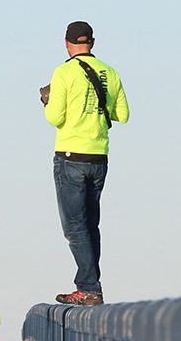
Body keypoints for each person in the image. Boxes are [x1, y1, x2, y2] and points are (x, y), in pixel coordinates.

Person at [41, 19, 130, 305]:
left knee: (74, 226)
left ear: (67, 44)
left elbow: (55, 118)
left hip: (70, 155)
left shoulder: (64, 73)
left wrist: (48, 100)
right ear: (92, 42)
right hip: (99, 155)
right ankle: (91, 284)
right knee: (91, 225)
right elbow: (123, 114)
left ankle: (89, 287)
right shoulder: (111, 73)